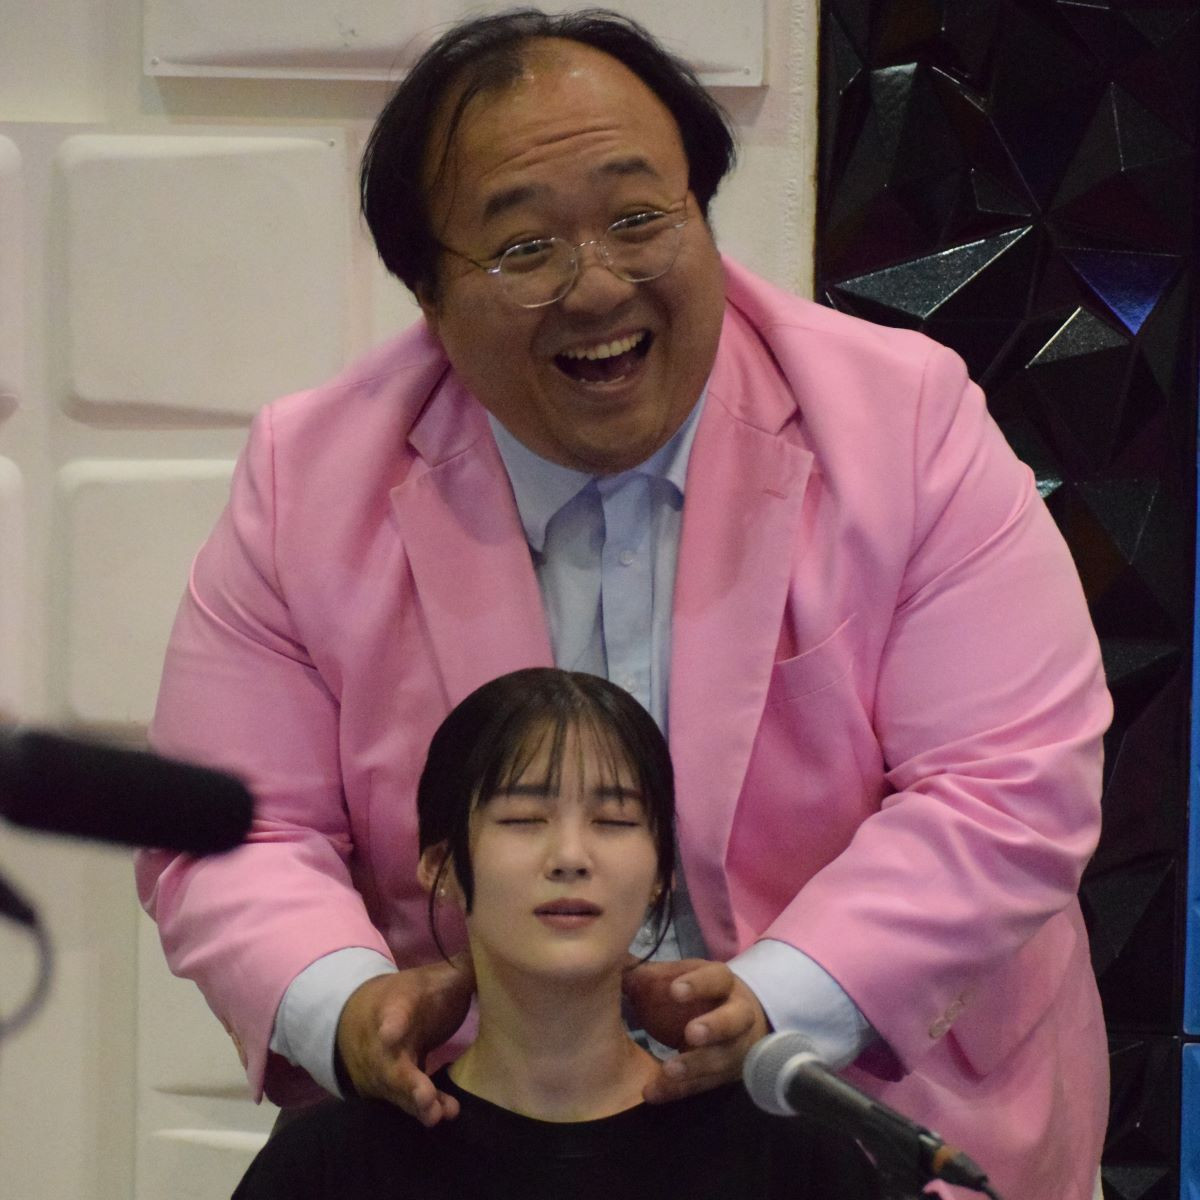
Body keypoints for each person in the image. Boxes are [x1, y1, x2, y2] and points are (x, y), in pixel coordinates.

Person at [137, 10, 1111, 1200]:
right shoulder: (310, 481)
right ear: (428, 295)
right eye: (525, 247)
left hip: (884, 1125)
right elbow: (228, 827)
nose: (597, 285)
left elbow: (1010, 781)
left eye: (640, 219)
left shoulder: (906, 423)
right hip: (491, 1133)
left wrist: (772, 1006)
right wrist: (342, 1005)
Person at [231, 668, 881, 1198]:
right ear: (441, 866)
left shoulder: (792, 1161)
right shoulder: (332, 1168)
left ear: (661, 873)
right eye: (523, 819)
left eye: (615, 822)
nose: (571, 856)